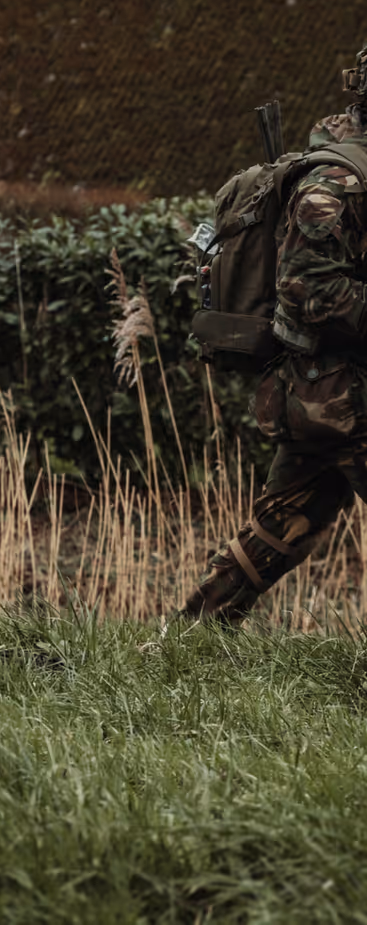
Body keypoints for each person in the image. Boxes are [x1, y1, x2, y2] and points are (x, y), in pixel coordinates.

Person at [181, 55, 367, 623]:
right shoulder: (336, 183)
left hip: (324, 396)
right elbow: (305, 289)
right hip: (343, 395)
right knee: (282, 521)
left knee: (279, 525)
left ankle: (192, 636)